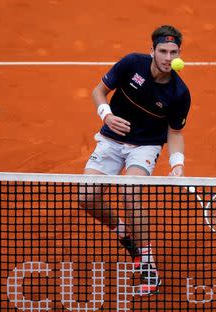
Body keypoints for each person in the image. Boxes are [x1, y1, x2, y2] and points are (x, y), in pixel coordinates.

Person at [79, 25, 191, 295]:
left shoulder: (179, 93)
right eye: (162, 51)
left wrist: (177, 164)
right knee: (86, 196)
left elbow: (175, 133)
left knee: (130, 191)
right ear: (151, 50)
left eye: (172, 52)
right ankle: (124, 233)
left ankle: (148, 262)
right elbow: (98, 91)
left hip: (145, 145)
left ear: (179, 54)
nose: (167, 57)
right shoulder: (131, 64)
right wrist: (106, 116)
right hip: (111, 139)